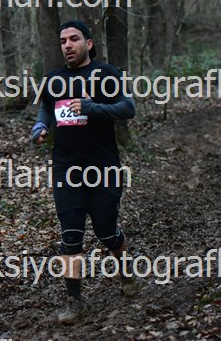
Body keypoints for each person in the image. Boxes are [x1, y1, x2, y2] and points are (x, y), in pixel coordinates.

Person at [31, 20, 140, 325]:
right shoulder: (53, 79)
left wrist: (93, 108)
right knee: (71, 235)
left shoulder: (105, 73)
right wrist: (40, 127)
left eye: (74, 39)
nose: (67, 45)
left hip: (103, 167)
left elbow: (128, 108)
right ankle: (74, 300)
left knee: (106, 232)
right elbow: (46, 109)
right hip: (66, 168)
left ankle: (126, 271)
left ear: (88, 44)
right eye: (63, 40)